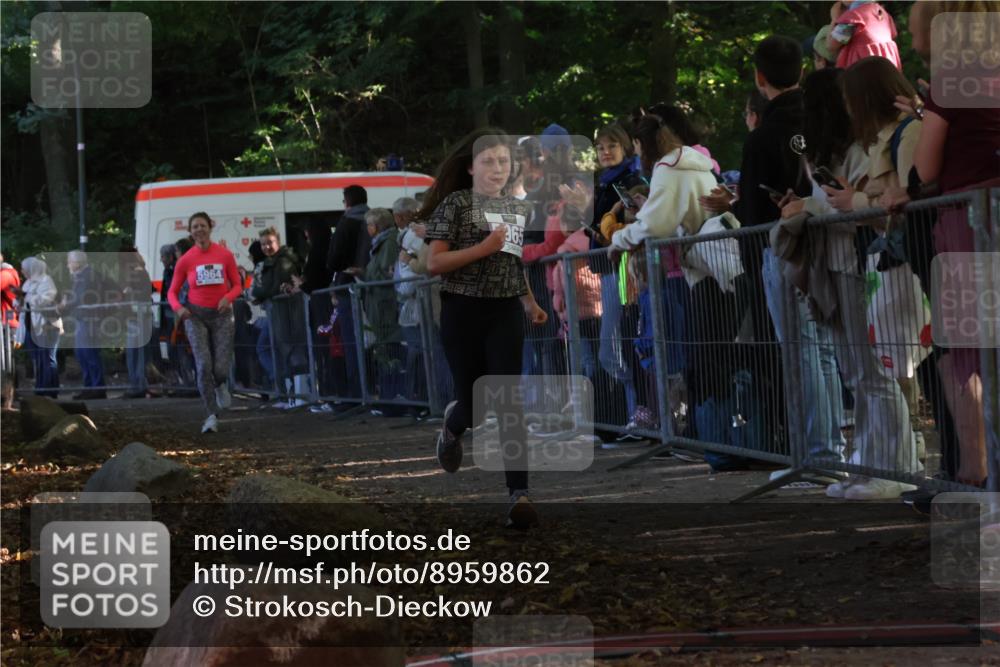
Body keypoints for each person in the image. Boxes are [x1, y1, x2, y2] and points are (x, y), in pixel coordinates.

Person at [422, 128, 548, 529]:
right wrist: (483, 248)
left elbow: (510, 261)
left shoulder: (514, 208)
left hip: (504, 311)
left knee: (509, 400)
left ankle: (519, 494)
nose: (498, 168)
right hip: (461, 311)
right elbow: (434, 264)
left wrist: (529, 301)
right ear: (471, 167)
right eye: (489, 161)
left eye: (503, 161)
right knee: (474, 406)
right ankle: (453, 426)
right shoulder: (454, 206)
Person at [167, 212, 242, 433]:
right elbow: (171, 292)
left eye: (202, 225)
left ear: (210, 227)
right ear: (190, 232)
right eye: (194, 227)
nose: (199, 229)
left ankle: (220, 384)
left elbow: (237, 285)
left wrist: (227, 298)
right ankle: (210, 415)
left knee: (219, 368)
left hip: (221, 316)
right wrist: (179, 309)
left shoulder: (225, 255)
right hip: (195, 316)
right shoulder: (186, 259)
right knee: (203, 366)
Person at [251, 227, 306, 407]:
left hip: (287, 314)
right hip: (277, 313)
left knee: (290, 352)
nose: (267, 247)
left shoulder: (284, 261)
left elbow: (269, 288)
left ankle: (294, 395)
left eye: (270, 242)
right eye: (263, 244)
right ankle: (288, 394)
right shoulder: (271, 261)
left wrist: (260, 293)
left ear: (278, 241)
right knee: (278, 351)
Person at [326, 184, 371, 398]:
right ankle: (373, 388)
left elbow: (333, 259)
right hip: (370, 286)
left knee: (351, 341)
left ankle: (356, 391)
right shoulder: (373, 220)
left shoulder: (346, 223)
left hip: (348, 286)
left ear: (348, 202)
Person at [363, 207, 404, 401]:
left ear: (377, 226)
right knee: (383, 348)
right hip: (379, 303)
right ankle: (390, 394)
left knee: (388, 348)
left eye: (369, 225)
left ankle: (394, 394)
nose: (367, 228)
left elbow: (387, 273)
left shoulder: (388, 243)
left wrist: (363, 275)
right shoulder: (380, 242)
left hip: (384, 304)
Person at [60, 250, 110, 399]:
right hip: (85, 319)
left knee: (88, 354)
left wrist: (65, 304)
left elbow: (81, 298)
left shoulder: (87, 276)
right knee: (83, 354)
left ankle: (96, 388)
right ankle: (91, 387)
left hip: (89, 319)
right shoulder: (83, 276)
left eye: (69, 261)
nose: (67, 264)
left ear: (77, 263)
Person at [18, 257, 61, 398]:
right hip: (32, 326)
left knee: (47, 358)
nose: (22, 271)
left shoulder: (46, 281)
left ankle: (50, 390)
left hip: (46, 325)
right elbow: (22, 302)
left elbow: (44, 300)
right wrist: (18, 299)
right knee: (38, 358)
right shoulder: (28, 283)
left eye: (24, 268)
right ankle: (41, 387)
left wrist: (25, 297)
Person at [826, 0, 901, 69]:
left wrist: (834, 18)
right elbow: (894, 35)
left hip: (864, 73)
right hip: (887, 70)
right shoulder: (883, 13)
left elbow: (831, 45)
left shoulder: (852, 17)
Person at [120, 248, 154, 399]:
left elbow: (142, 294)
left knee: (136, 353)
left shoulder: (137, 273)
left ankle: (138, 385)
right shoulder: (140, 271)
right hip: (138, 316)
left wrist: (127, 293)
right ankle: (138, 384)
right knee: (136, 353)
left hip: (138, 317)